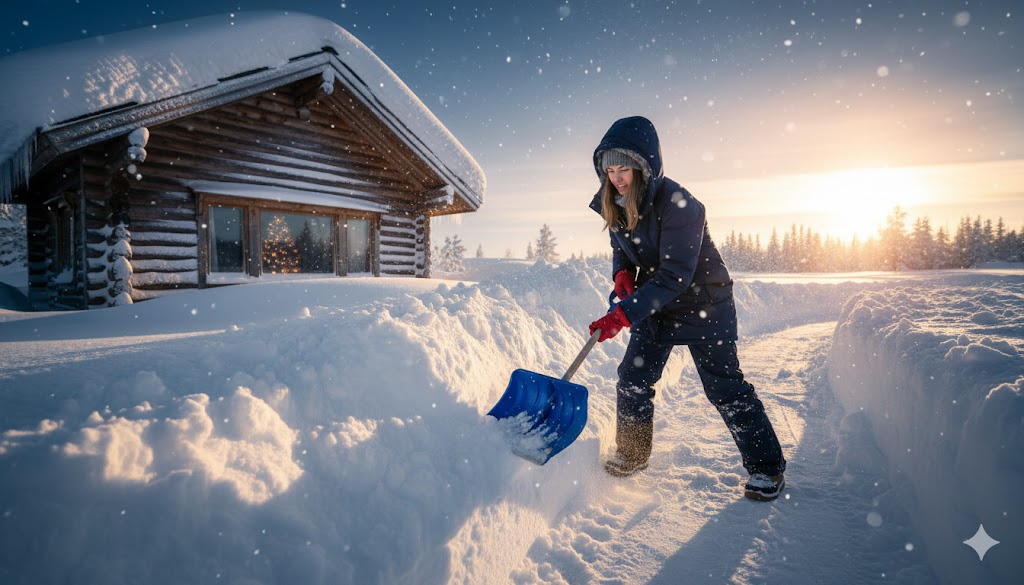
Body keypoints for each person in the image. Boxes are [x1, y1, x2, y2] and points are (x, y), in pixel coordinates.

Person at [586, 116, 787, 501]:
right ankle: (632, 454)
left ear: (643, 166)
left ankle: (767, 467)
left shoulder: (681, 205)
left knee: (724, 387)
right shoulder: (616, 202)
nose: (617, 178)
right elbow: (620, 246)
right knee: (633, 377)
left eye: (624, 168)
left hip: (703, 302)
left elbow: (676, 274)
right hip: (657, 303)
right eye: (609, 170)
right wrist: (622, 273)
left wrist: (623, 314)